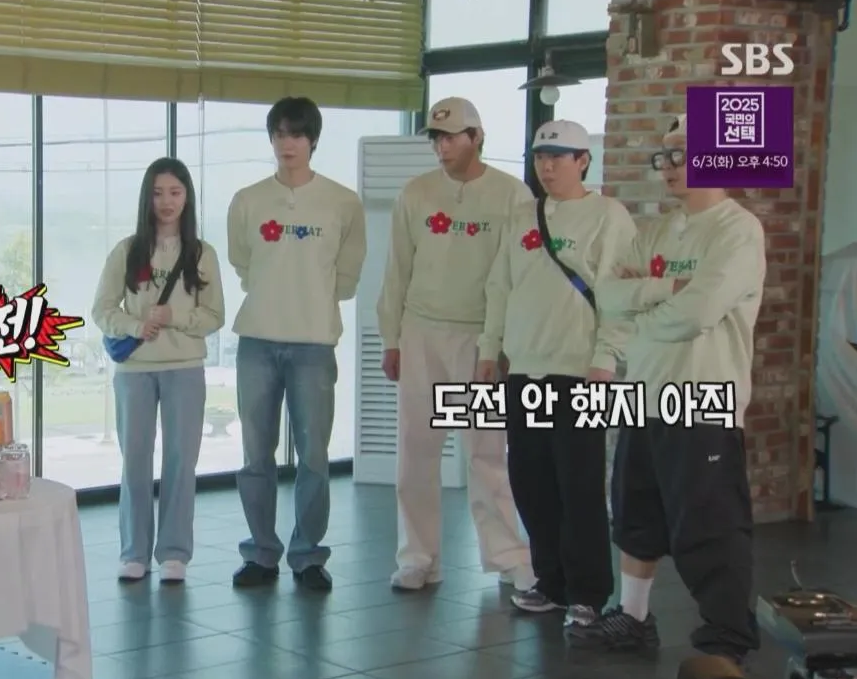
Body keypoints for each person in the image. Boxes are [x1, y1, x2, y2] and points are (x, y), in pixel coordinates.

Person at [573, 115, 765, 663]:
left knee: (710, 526)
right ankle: (633, 618)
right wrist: (666, 291)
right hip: (647, 393)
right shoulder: (657, 232)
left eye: (682, 154)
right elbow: (608, 295)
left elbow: (698, 313)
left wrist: (646, 310)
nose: (669, 167)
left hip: (704, 398)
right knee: (636, 513)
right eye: (665, 156)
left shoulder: (737, 230)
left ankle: (727, 637)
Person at [476, 120, 634, 628]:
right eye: (541, 157)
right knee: (531, 480)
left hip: (580, 370)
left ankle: (588, 592)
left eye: (559, 157)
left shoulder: (608, 216)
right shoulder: (523, 215)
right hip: (525, 368)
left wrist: (606, 358)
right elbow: (499, 287)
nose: (547, 166)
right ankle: (551, 580)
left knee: (579, 484)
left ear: (583, 160)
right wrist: (489, 349)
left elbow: (618, 295)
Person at [376, 96, 534, 592]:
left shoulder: (512, 195)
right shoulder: (416, 193)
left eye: (451, 137)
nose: (442, 147)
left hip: (479, 339)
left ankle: (508, 557)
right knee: (416, 453)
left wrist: (501, 342)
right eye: (436, 138)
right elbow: (396, 270)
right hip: (421, 334)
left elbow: (519, 275)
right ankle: (418, 557)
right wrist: (391, 338)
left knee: (486, 453)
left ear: (477, 137)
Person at [227, 96, 366, 592]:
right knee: (255, 455)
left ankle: (308, 555)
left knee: (313, 456)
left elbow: (347, 274)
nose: (288, 143)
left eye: (297, 134)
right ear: (271, 139)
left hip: (313, 345)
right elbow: (242, 264)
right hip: (257, 341)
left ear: (313, 140)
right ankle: (261, 552)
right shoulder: (247, 200)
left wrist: (311, 299)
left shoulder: (342, 202)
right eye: (280, 134)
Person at [92, 157, 225, 585]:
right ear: (146, 198)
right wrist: (136, 325)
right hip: (134, 371)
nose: (166, 202)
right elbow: (102, 310)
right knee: (135, 461)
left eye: (175, 192)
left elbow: (215, 316)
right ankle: (134, 552)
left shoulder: (202, 254)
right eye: (157, 193)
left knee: (181, 462)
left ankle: (174, 553)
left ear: (187, 197)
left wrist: (174, 317)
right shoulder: (127, 251)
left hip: (185, 369)